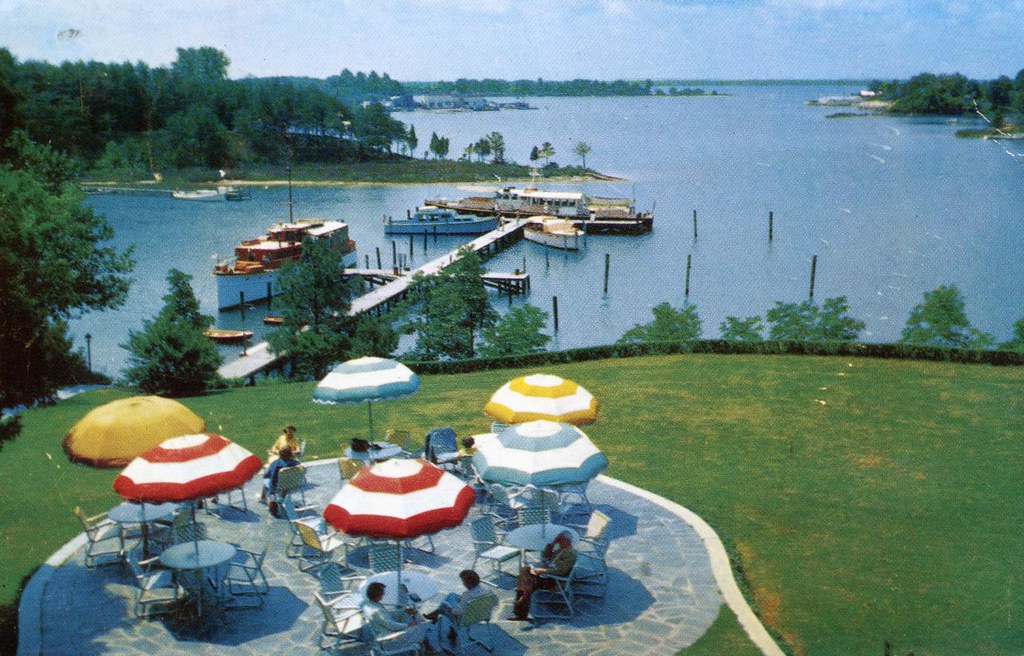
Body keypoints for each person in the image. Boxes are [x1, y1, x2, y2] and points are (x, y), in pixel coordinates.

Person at [508, 531, 576, 621]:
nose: (558, 542)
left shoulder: (569, 553)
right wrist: (552, 543)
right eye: (558, 540)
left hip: (555, 581)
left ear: (567, 541)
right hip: (549, 576)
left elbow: (561, 571)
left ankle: (521, 607)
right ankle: (523, 598)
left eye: (560, 540)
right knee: (525, 571)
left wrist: (543, 571)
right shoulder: (562, 549)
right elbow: (546, 555)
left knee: (527, 582)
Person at [361, 582, 432, 653]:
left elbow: (386, 615)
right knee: (422, 626)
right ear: (378, 594)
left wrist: (402, 611)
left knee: (405, 614)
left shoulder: (368, 604)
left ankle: (424, 642)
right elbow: (391, 625)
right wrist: (408, 625)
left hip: (382, 633)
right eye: (382, 593)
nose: (383, 594)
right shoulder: (377, 610)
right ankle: (427, 647)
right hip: (390, 640)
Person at [423, 570, 488, 645]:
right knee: (452, 595)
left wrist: (449, 607)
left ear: (468, 582)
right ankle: (435, 614)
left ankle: (450, 628)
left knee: (444, 606)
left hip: (463, 619)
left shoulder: (468, 595)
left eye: (463, 581)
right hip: (481, 615)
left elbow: (456, 612)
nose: (463, 583)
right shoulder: (486, 591)